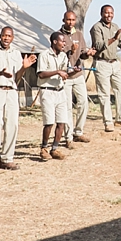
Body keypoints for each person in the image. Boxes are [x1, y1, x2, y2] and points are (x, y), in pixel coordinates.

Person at [0, 27, 37, 174]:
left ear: (13, 38)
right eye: (4, 36)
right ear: (0, 36)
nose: (6, 38)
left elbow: (16, 78)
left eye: (9, 36)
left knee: (12, 125)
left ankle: (7, 158)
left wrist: (24, 68)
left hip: (11, 92)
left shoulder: (16, 53)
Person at [90, 4, 121, 132]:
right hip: (102, 63)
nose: (109, 15)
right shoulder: (96, 28)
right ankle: (108, 122)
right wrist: (113, 38)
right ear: (101, 13)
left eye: (111, 13)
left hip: (114, 63)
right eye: (106, 13)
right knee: (104, 94)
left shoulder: (115, 27)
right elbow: (99, 45)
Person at [36, 31, 83, 160]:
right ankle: (44, 148)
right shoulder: (44, 55)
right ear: (55, 42)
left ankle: (55, 149)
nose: (64, 43)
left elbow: (66, 72)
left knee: (62, 122)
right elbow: (41, 74)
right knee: (49, 122)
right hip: (47, 91)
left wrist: (74, 70)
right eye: (62, 41)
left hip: (60, 91)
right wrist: (57, 72)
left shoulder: (63, 56)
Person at [60, 11, 96, 143]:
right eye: (68, 20)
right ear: (63, 20)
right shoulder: (59, 35)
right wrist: (71, 51)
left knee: (83, 102)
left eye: (73, 20)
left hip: (78, 75)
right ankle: (68, 136)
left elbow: (82, 55)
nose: (70, 22)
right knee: (67, 106)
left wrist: (88, 54)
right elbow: (59, 55)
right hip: (66, 77)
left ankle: (78, 132)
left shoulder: (79, 34)